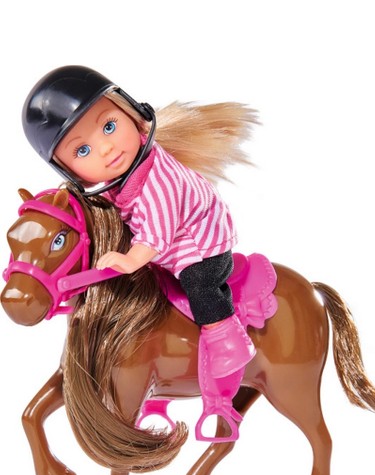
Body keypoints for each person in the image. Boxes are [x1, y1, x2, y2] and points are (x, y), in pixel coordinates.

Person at [22, 65, 256, 379]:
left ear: (132, 114)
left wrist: (132, 259)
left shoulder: (161, 179)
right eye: (83, 150)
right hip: (169, 247)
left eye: (108, 126)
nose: (106, 148)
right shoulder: (121, 180)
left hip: (200, 245)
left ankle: (226, 337)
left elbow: (158, 231)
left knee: (200, 284)